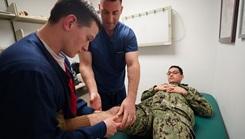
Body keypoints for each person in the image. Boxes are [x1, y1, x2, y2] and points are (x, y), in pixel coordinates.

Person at [0, 0, 120, 139]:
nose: (86, 48)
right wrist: (101, 129)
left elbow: (67, 100)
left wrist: (97, 114)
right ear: (69, 22)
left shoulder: (59, 57)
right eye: (88, 38)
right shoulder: (31, 70)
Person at [63, 65, 213, 139]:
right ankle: (65, 128)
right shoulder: (159, 87)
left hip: (173, 115)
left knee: (169, 127)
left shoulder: (190, 90)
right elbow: (143, 97)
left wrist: (185, 93)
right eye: (169, 72)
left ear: (182, 76)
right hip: (148, 113)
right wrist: (155, 88)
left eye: (175, 72)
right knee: (118, 112)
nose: (171, 75)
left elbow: (207, 110)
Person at [79, 0, 140, 129]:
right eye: (105, 12)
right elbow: (85, 65)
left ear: (121, 10)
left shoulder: (127, 35)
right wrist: (93, 92)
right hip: (99, 94)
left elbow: (133, 65)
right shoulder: (91, 33)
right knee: (103, 130)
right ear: (99, 8)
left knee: (123, 128)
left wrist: (131, 99)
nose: (110, 19)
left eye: (115, 13)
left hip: (120, 92)